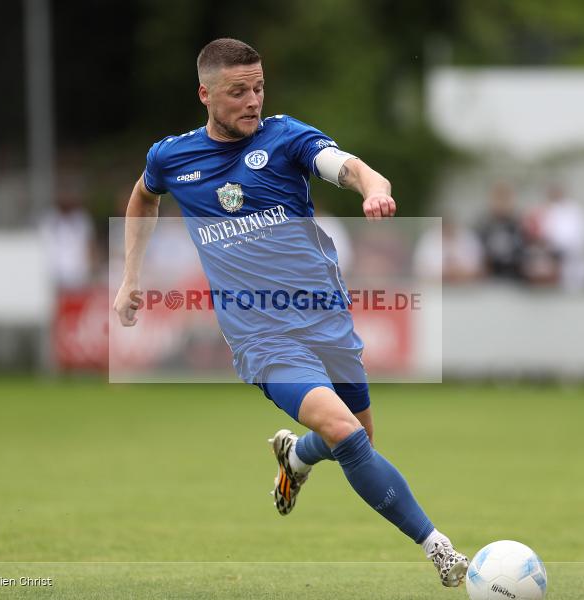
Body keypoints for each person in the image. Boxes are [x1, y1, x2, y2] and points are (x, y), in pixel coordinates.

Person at [112, 38, 468, 588]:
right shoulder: (172, 157)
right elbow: (144, 196)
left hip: (326, 319)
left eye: (259, 88)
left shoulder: (286, 138)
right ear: (205, 95)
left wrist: (373, 188)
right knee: (346, 434)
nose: (253, 100)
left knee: (357, 437)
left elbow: (347, 167)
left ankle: (296, 456)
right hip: (260, 336)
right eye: (238, 91)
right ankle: (439, 547)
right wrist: (130, 277)